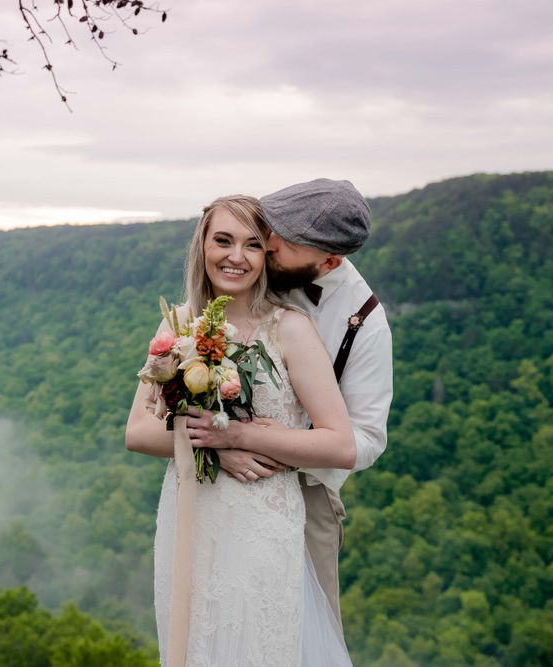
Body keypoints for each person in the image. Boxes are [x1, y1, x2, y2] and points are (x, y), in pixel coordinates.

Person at [125, 194, 355, 665]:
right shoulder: (180, 324)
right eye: (223, 240)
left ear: (266, 255)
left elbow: (340, 444)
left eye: (252, 245)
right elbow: (138, 432)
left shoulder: (289, 328)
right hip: (189, 518)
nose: (235, 256)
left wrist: (238, 436)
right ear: (202, 245)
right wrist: (213, 447)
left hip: (260, 527)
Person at [185, 178, 394, 625]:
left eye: (282, 242)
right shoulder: (255, 271)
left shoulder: (366, 325)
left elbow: (366, 442)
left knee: (301, 634)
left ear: (329, 261)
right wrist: (222, 446)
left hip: (305, 494)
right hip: (218, 488)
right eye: (271, 230)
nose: (268, 245)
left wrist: (260, 439)